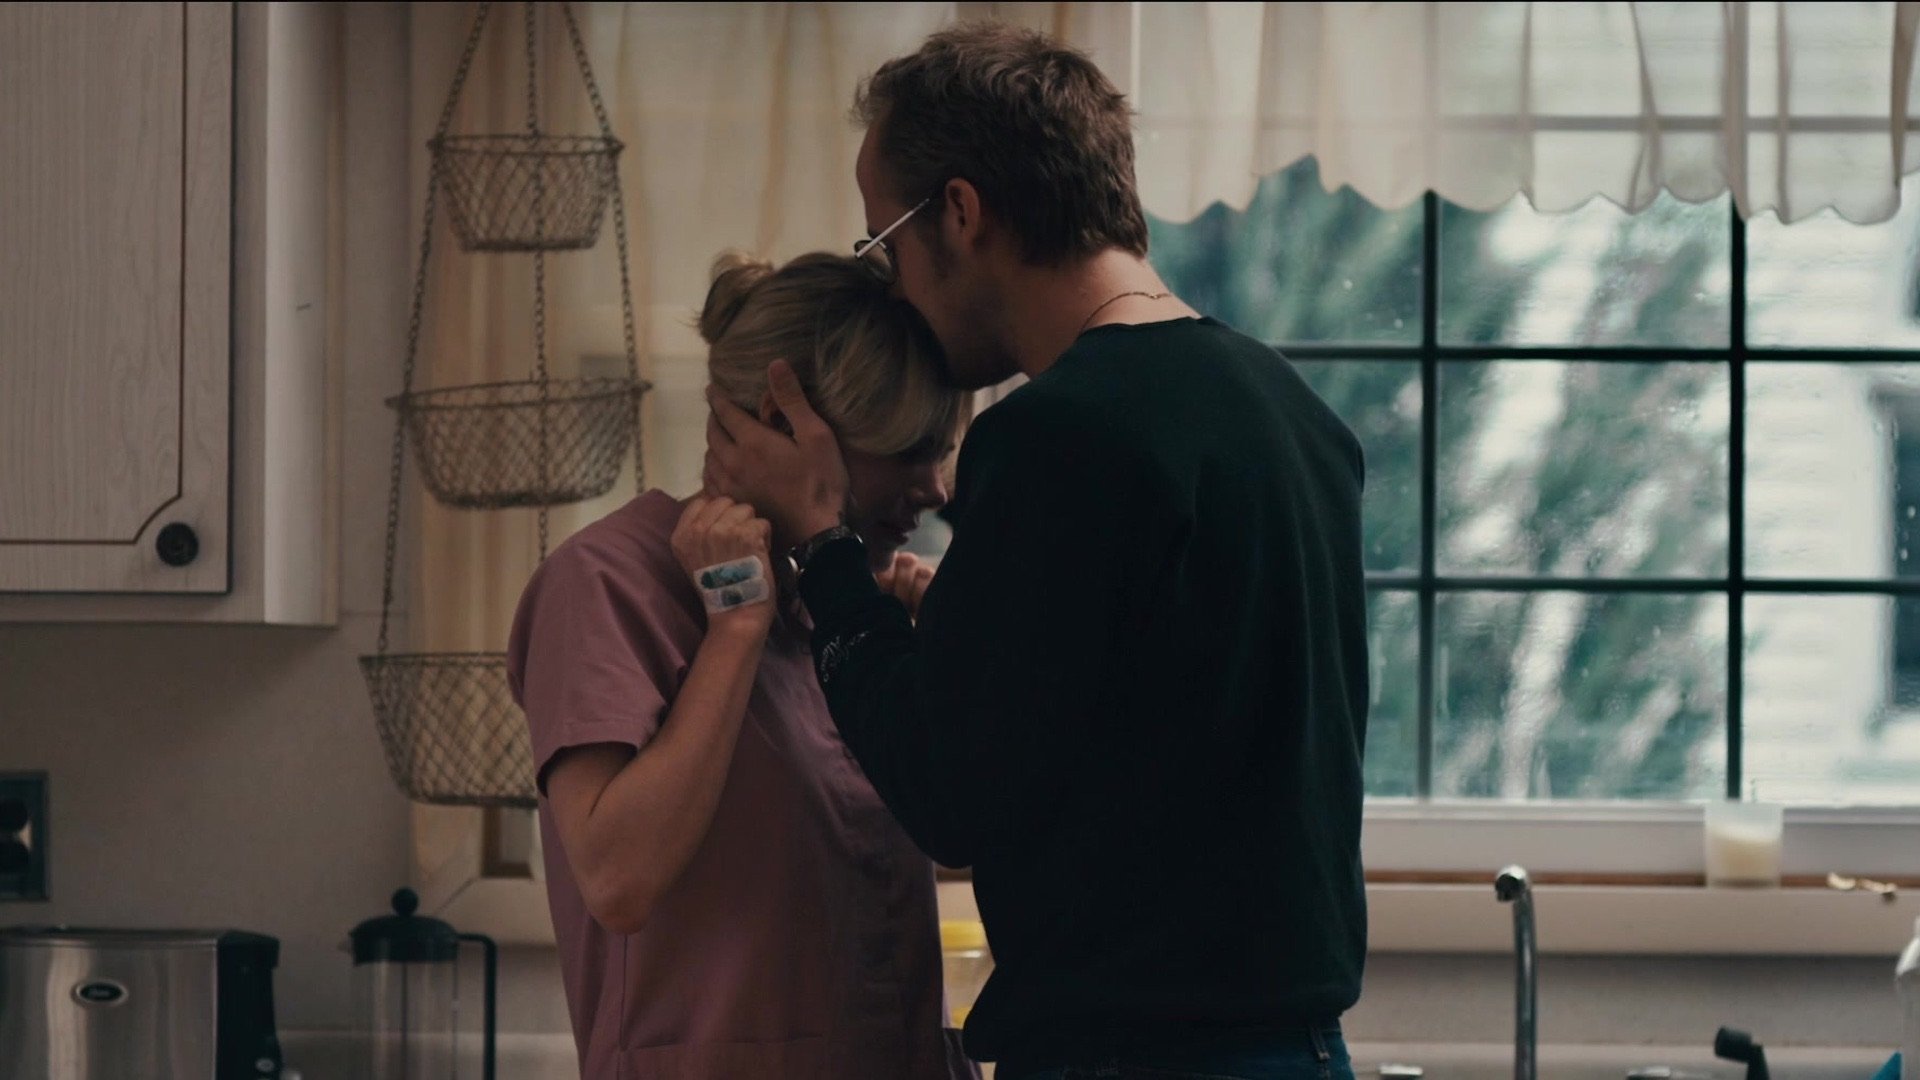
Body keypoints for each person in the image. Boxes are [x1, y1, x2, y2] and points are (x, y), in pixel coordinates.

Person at [703, 22, 1370, 1080]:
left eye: (886, 245)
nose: (894, 289)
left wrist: (825, 544)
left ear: (961, 213)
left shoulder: (1060, 435)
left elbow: (950, 799)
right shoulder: (1290, 412)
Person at [507, 252, 976, 1080]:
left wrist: (944, 676)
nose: (935, 488)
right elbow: (617, 878)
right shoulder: (607, 583)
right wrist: (734, 625)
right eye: (909, 451)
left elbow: (955, 845)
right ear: (781, 424)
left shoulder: (849, 610)